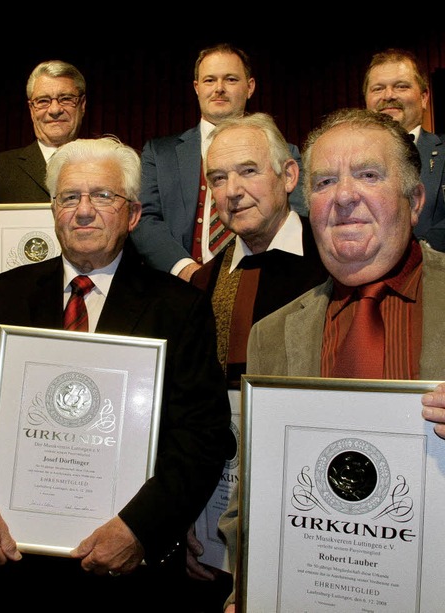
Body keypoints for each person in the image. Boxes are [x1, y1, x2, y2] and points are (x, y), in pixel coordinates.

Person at [0, 136, 232, 612]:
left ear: (133, 214)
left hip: (128, 576)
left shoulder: (179, 307)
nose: (83, 211)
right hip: (15, 566)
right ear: (53, 211)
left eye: (102, 196)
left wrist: (140, 528)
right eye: (70, 197)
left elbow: (202, 437)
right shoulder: (7, 294)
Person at [219, 108, 445, 612]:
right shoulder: (272, 335)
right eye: (324, 181)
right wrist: (248, 583)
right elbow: (250, 502)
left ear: (414, 201)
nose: (343, 196)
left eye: (368, 174)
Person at [186, 112, 328, 612]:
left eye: (248, 171)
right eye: (218, 178)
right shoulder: (202, 284)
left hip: (315, 523)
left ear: (289, 176)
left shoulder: (335, 264)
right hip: (212, 526)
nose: (233, 190)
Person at [130, 42, 306, 282]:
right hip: (178, 288)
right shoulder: (159, 154)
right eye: (209, 80)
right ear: (196, 88)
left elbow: (297, 219)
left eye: (231, 80)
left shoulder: (286, 153)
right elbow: (145, 219)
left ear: (250, 87)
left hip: (262, 282)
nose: (219, 89)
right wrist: (187, 271)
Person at [0, 59, 86, 348]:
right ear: (30, 108)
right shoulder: (0, 171)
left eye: (66, 98)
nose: (54, 109)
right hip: (12, 326)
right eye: (43, 101)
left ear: (82, 104)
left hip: (85, 318)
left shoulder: (105, 165)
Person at [363, 48, 445, 251]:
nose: (388, 96)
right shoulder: (344, 161)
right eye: (378, 89)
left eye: (401, 86)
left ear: (424, 97)